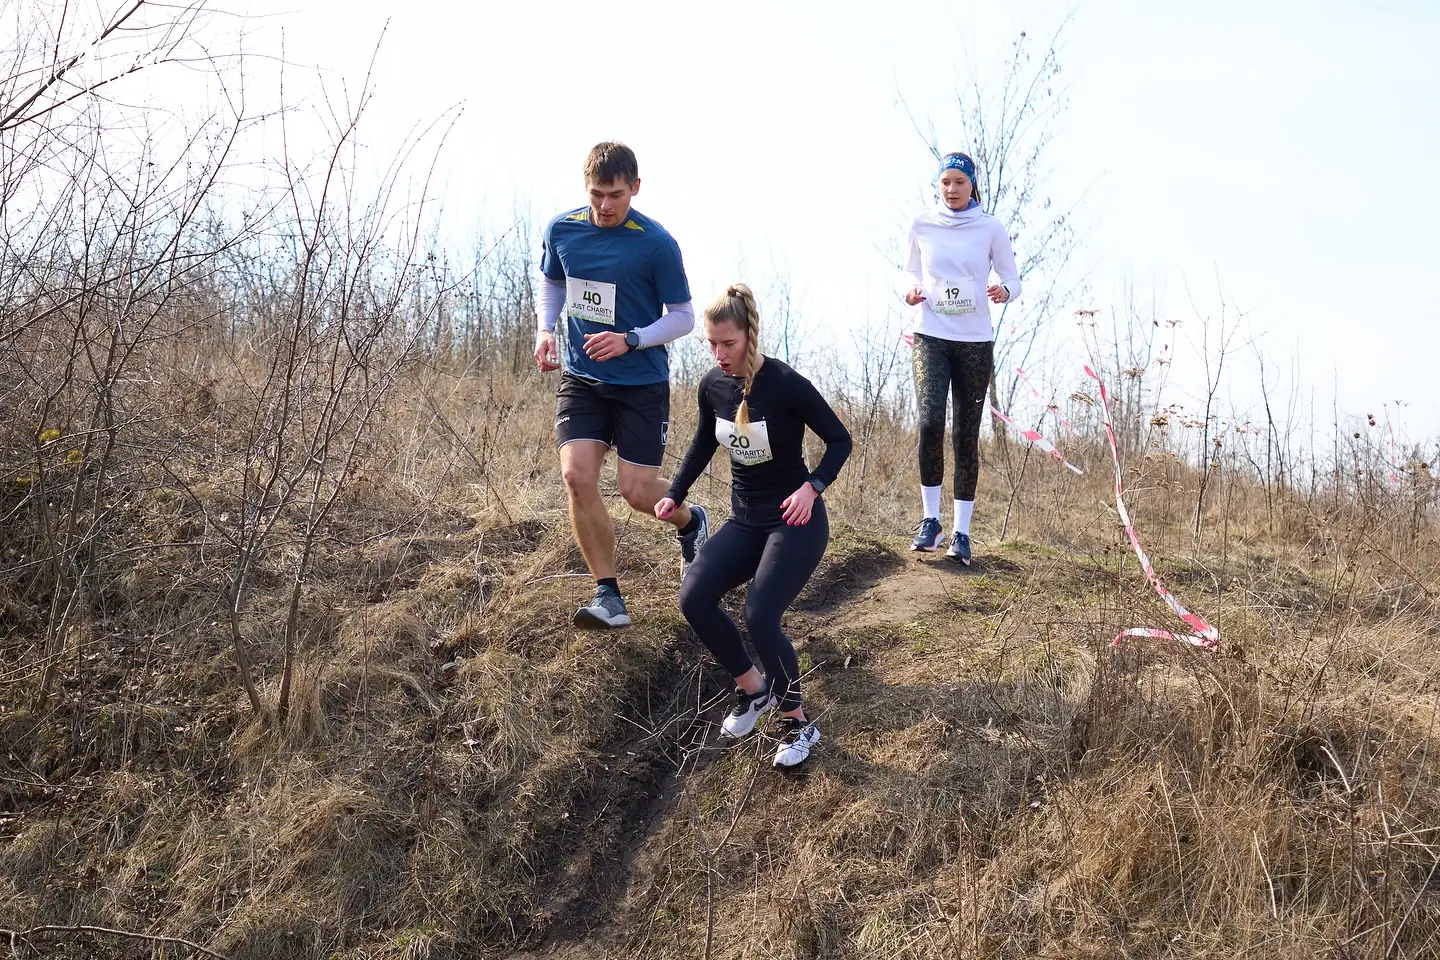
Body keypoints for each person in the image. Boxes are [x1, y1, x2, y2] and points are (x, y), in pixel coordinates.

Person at [656, 284, 851, 768]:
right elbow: (704, 442)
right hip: (745, 520)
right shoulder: (712, 387)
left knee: (761, 615)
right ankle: (754, 689)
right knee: (693, 597)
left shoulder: (786, 385)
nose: (720, 354)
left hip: (794, 520)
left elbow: (840, 440)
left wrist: (813, 487)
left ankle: (798, 724)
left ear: (749, 336)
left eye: (728, 343)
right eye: (711, 344)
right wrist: (675, 493)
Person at [534, 142, 709, 629]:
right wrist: (545, 329)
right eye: (596, 195)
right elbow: (553, 281)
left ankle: (691, 522)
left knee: (636, 492)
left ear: (635, 187)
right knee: (577, 477)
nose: (605, 206)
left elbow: (683, 318)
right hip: (582, 378)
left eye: (615, 195)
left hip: (640, 383)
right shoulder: (563, 228)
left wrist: (631, 339)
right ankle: (608, 595)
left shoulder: (656, 243)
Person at [900, 151, 1021, 565]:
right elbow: (908, 271)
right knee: (931, 422)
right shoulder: (922, 223)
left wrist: (1005, 291)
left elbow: (1012, 277)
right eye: (945, 182)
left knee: (965, 436)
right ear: (938, 185)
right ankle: (930, 521)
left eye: (960, 183)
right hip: (930, 334)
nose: (951, 190)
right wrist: (910, 290)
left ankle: (961, 532)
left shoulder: (990, 228)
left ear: (972, 186)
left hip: (974, 341)